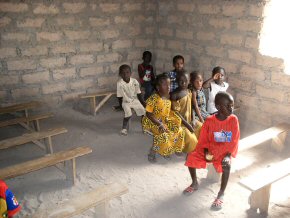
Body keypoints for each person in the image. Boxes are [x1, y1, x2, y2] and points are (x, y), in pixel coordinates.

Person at [183, 92, 240, 210]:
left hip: (224, 152)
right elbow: (203, 139)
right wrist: (205, 151)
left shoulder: (233, 120)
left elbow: (234, 139)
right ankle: (194, 183)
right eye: (228, 106)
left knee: (227, 165)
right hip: (210, 149)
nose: (231, 108)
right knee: (191, 156)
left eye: (232, 105)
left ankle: (221, 193)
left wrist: (228, 155)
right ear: (218, 107)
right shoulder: (209, 121)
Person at [142, 73, 186, 162]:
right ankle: (152, 152)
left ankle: (172, 149)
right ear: (158, 87)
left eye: (169, 84)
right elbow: (149, 114)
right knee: (163, 135)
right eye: (165, 84)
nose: (168, 87)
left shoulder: (168, 97)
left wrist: (174, 120)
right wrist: (160, 124)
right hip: (152, 121)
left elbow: (167, 111)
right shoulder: (153, 98)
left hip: (163, 120)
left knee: (179, 129)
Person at [171, 72, 202, 154]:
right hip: (180, 123)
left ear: (189, 81)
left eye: (186, 81)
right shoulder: (174, 94)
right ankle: (181, 147)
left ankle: (197, 145)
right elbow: (176, 113)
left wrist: (194, 119)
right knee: (192, 141)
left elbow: (191, 106)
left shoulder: (189, 91)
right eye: (180, 81)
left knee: (201, 127)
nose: (183, 83)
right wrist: (188, 125)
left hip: (189, 120)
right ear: (177, 81)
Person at [117, 64, 146, 136]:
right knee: (128, 114)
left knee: (143, 112)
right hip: (125, 102)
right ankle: (124, 129)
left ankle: (144, 127)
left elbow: (139, 93)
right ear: (120, 74)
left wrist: (143, 102)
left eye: (127, 72)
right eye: (123, 73)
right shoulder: (119, 83)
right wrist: (120, 106)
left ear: (130, 73)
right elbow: (119, 96)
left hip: (135, 100)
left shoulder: (134, 81)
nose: (125, 74)